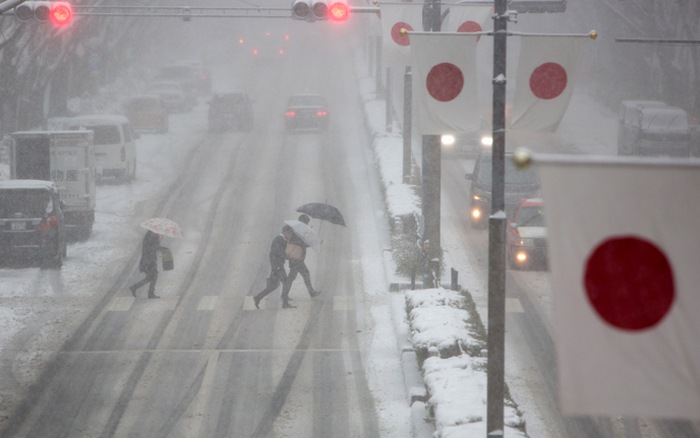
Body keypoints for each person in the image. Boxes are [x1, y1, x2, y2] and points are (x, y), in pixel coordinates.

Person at [281, 214, 321, 302]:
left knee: (293, 276)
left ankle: (284, 295)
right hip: (296, 257)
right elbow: (301, 245)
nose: (307, 224)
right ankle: (311, 292)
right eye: (306, 222)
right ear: (303, 221)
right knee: (303, 274)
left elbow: (302, 244)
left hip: (295, 257)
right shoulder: (297, 232)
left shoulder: (296, 230)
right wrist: (313, 242)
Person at [254, 224, 295, 309]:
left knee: (273, 286)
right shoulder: (278, 239)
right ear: (285, 232)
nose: (290, 236)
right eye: (290, 234)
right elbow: (278, 252)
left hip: (277, 265)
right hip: (277, 265)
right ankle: (285, 303)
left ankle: (258, 297)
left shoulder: (282, 239)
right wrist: (288, 257)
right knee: (286, 283)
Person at [130, 230, 166, 299]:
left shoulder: (149, 234)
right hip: (150, 260)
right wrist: (162, 249)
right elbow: (153, 247)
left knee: (152, 276)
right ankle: (148, 293)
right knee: (153, 276)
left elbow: (152, 246)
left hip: (147, 259)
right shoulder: (154, 235)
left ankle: (137, 288)